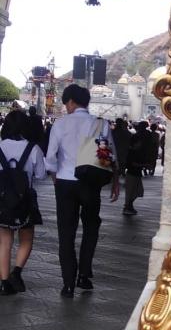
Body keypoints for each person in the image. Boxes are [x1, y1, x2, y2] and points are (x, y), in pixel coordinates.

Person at [45, 84, 119, 297]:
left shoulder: (60, 124)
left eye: (66, 103)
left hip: (65, 183)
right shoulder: (100, 123)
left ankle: (68, 283)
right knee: (91, 227)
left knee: (66, 232)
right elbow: (110, 155)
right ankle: (84, 276)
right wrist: (114, 181)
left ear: (70, 102)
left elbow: (50, 158)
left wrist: (55, 178)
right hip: (90, 182)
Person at [0, 109, 46, 295]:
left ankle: (4, 283)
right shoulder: (33, 149)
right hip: (24, 200)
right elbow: (41, 175)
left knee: (4, 242)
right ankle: (16, 272)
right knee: (26, 240)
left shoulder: (0, 146)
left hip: (3, 200)